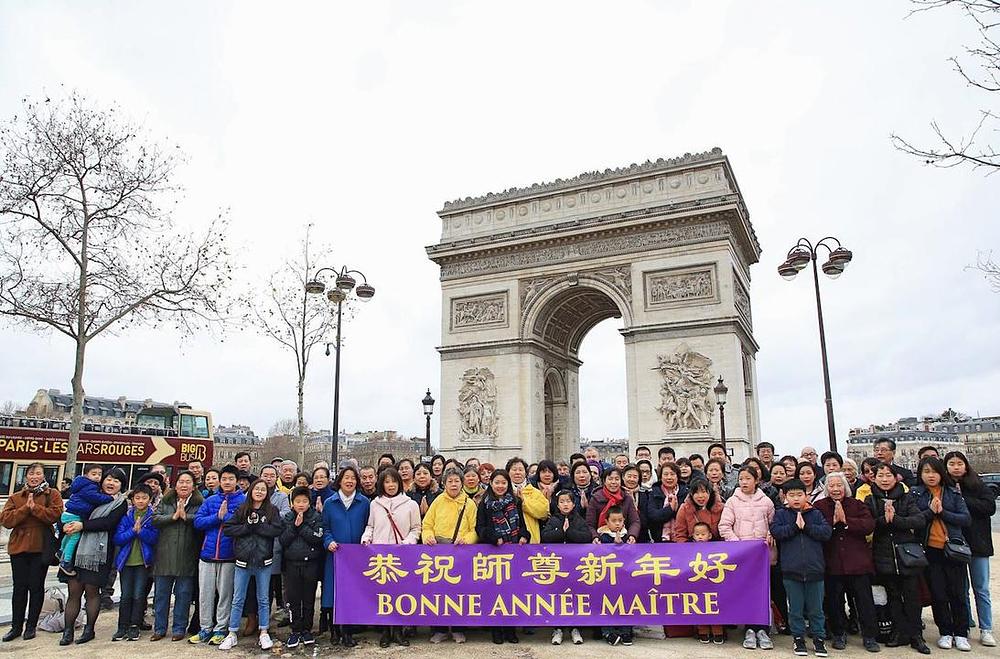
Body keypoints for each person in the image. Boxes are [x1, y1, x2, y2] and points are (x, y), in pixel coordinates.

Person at [59, 468, 129, 646]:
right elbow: (71, 512)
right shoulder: (91, 494)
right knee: (74, 591)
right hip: (76, 549)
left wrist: (82, 526)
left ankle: (89, 629)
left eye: (116, 481)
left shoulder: (119, 503)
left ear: (121, 485)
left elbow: (108, 523)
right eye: (108, 479)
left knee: (92, 591)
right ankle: (68, 632)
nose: (111, 483)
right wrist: (66, 526)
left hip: (98, 553)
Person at [864, 462, 929, 654]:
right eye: (880, 475)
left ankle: (916, 635)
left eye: (888, 475)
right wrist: (884, 520)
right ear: (873, 478)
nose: (884, 479)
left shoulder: (906, 497)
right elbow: (869, 524)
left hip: (906, 554)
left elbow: (919, 520)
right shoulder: (870, 500)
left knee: (912, 596)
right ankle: (899, 632)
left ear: (896, 478)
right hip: (883, 555)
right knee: (892, 595)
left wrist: (897, 520)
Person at [814, 472, 880, 653]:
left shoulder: (857, 504)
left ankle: (869, 636)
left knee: (864, 601)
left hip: (858, 562)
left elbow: (868, 525)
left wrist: (847, 521)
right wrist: (833, 522)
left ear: (846, 487)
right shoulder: (819, 506)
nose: (836, 489)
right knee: (835, 602)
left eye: (839, 485)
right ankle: (838, 633)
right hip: (833, 562)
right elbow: (816, 528)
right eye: (832, 486)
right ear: (827, 488)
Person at [912, 456, 972, 652]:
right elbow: (915, 519)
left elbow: (965, 519)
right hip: (930, 550)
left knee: (958, 593)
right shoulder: (916, 494)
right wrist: (930, 512)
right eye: (926, 471)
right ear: (920, 474)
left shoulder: (953, 492)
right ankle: (945, 631)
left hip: (954, 549)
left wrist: (942, 512)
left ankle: (961, 633)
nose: (931, 476)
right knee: (938, 593)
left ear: (941, 473)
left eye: (934, 471)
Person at [217, 478, 283, 651]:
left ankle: (263, 631)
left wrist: (260, 527)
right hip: (242, 561)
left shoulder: (272, 510)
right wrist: (247, 527)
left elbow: (277, 530)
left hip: (264, 561)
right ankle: (232, 633)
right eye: (257, 489)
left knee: (263, 598)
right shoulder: (242, 509)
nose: (260, 492)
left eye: (263, 489)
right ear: (251, 491)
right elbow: (229, 529)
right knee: (238, 598)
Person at [1, 462, 63, 642]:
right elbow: (6, 520)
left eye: (38, 473)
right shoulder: (16, 497)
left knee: (36, 587)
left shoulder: (52, 494)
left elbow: (54, 515)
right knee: (19, 588)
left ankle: (31, 626)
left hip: (40, 547)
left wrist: (35, 508)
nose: (34, 477)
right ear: (26, 476)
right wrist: (24, 508)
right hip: (19, 547)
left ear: (44, 476)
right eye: (31, 473)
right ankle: (16, 626)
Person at [770, 479, 832, 657]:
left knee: (816, 609)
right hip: (791, 570)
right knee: (795, 609)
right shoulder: (781, 514)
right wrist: (795, 527)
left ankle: (819, 639)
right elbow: (777, 532)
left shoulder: (815, 514)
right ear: (785, 496)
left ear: (806, 496)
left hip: (815, 570)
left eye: (799, 494)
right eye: (791, 495)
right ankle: (798, 639)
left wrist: (807, 527)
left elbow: (826, 533)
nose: (796, 498)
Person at [362, 467, 420, 648]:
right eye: (387, 482)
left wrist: (408, 542)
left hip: (402, 555)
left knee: (400, 595)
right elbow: (370, 525)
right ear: (382, 484)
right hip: (381, 556)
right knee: (383, 595)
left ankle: (398, 631)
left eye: (394, 481)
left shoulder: (410, 504)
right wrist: (366, 537)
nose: (391, 485)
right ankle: (385, 631)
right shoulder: (375, 504)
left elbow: (416, 529)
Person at [719, 466, 775, 650]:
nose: (744, 482)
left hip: (761, 556)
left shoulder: (766, 501)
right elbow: (725, 526)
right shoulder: (732, 502)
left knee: (763, 592)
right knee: (746, 592)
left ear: (756, 480)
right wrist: (738, 545)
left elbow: (772, 526)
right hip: (742, 556)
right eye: (741, 478)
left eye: (748, 478)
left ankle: (763, 629)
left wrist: (769, 536)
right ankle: (749, 629)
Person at [944, 451, 995, 647]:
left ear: (966, 465)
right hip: (955, 543)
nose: (956, 467)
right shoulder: (945, 487)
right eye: (951, 463)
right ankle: (964, 624)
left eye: (959, 463)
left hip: (978, 543)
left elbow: (989, 507)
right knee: (960, 589)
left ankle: (986, 628)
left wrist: (962, 499)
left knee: (981, 588)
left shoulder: (977, 484)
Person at [191, 464, 245, 645]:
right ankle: (205, 627)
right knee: (205, 594)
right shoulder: (210, 500)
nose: (227, 482)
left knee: (225, 595)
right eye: (224, 479)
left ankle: (221, 628)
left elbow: (243, 525)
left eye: (231, 479)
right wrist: (216, 517)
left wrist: (227, 517)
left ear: (237, 481)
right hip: (207, 554)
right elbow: (198, 522)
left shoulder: (243, 501)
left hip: (229, 555)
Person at [423, 468, 477, 644]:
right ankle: (439, 629)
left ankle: (458, 628)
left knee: (459, 593)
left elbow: (474, 529)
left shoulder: (469, 504)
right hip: (438, 552)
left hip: (460, 552)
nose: (453, 484)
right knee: (438, 593)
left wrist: (467, 540)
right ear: (444, 483)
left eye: (456, 481)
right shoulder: (438, 501)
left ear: (461, 483)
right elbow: (427, 524)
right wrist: (428, 536)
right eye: (450, 481)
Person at [476, 469, 530, 645]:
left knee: (512, 594)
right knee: (495, 594)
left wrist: (524, 535)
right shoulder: (484, 504)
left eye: (503, 483)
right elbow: (480, 528)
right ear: (491, 483)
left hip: (513, 552)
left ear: (508, 484)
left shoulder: (515, 501)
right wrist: (493, 538)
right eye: (497, 482)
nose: (500, 486)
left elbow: (522, 525)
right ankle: (496, 630)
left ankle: (510, 629)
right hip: (494, 553)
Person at [151, 470, 203, 641]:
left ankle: (179, 628)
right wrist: (173, 517)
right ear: (175, 484)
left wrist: (186, 517)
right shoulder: (166, 501)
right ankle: (159, 629)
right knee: (161, 596)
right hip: (164, 555)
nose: (184, 485)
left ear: (194, 487)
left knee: (183, 595)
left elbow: (202, 521)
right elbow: (155, 519)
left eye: (188, 482)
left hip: (187, 556)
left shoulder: (199, 502)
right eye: (181, 481)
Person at [322, 465, 370, 647]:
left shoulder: (364, 502)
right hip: (335, 555)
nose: (349, 481)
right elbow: (325, 528)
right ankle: (335, 631)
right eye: (346, 478)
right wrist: (329, 542)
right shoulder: (330, 503)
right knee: (334, 593)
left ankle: (348, 632)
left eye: (353, 478)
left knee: (352, 594)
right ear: (339, 481)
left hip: (357, 557)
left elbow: (368, 526)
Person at [541, 489, 591, 646]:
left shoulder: (579, 520)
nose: (565, 504)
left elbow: (586, 537)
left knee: (574, 597)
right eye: (562, 501)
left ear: (573, 503)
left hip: (575, 566)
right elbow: (545, 537)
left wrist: (569, 531)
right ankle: (558, 628)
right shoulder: (553, 520)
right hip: (557, 567)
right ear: (557, 504)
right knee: (557, 597)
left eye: (568, 501)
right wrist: (561, 533)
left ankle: (575, 628)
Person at [112, 482, 160, 642]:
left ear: (150, 499)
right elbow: (118, 538)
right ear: (132, 499)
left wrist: (141, 532)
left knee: (139, 595)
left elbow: (154, 538)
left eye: (144, 498)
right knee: (126, 595)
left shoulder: (153, 517)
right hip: (126, 562)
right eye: (137, 498)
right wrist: (133, 531)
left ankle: (134, 625)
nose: (140, 501)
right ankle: (122, 626)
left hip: (143, 562)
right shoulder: (126, 516)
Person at [280, 486, 325, 648]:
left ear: (309, 502)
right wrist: (294, 526)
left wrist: (301, 526)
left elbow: (318, 538)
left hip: (311, 564)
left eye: (304, 501)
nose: (301, 504)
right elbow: (283, 540)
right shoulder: (287, 518)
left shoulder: (316, 517)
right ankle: (295, 630)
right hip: (291, 564)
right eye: (297, 501)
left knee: (308, 599)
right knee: (293, 600)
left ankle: (307, 629)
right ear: (292, 503)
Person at [57, 463, 112, 576]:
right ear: (86, 475)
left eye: (99, 474)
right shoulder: (90, 486)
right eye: (94, 474)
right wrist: (109, 498)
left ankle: (61, 551)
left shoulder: (81, 483)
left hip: (69, 513)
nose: (97, 477)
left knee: (69, 535)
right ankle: (66, 561)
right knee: (74, 537)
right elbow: (95, 498)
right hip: (75, 514)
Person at [596, 505, 634, 646]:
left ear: (624, 521)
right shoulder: (603, 537)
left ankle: (626, 631)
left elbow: (633, 555)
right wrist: (613, 544)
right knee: (607, 604)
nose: (617, 524)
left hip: (624, 579)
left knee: (626, 603)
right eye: (614, 521)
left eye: (620, 520)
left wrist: (622, 544)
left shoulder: (628, 536)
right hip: (607, 579)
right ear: (607, 522)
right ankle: (608, 632)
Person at [586, 467, 640, 543]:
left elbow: (635, 521)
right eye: (610, 479)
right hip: (601, 540)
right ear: (604, 481)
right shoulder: (595, 499)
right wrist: (595, 537)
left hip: (624, 539)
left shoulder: (627, 498)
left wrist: (632, 535)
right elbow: (589, 524)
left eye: (617, 479)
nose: (613, 482)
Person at [506, 457, 550, 543]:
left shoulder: (535, 492)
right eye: (514, 470)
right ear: (508, 472)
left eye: (520, 470)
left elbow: (544, 512)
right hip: (508, 540)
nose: (517, 472)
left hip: (531, 539)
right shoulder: (503, 492)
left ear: (526, 473)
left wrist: (524, 502)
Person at [646, 462, 687, 542]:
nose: (669, 477)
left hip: (682, 539)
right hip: (660, 540)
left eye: (672, 474)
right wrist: (670, 509)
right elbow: (653, 516)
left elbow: (687, 516)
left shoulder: (685, 493)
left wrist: (676, 509)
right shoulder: (654, 493)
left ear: (677, 476)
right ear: (660, 477)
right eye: (665, 474)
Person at [674, 478, 723, 542]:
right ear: (691, 494)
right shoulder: (684, 509)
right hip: (691, 547)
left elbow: (724, 532)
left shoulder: (720, 508)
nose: (700, 496)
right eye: (696, 493)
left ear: (710, 492)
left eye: (703, 492)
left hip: (716, 546)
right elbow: (680, 535)